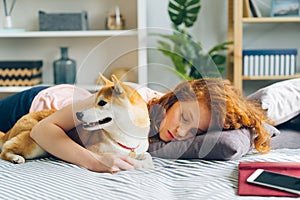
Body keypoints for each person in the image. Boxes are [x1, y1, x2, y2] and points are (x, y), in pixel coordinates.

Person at [0, 78, 272, 173]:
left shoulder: (160, 131)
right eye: (185, 118)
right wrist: (95, 162)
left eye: (194, 132)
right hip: (33, 106)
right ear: (176, 99)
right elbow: (41, 130)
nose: (181, 133)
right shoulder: (133, 100)